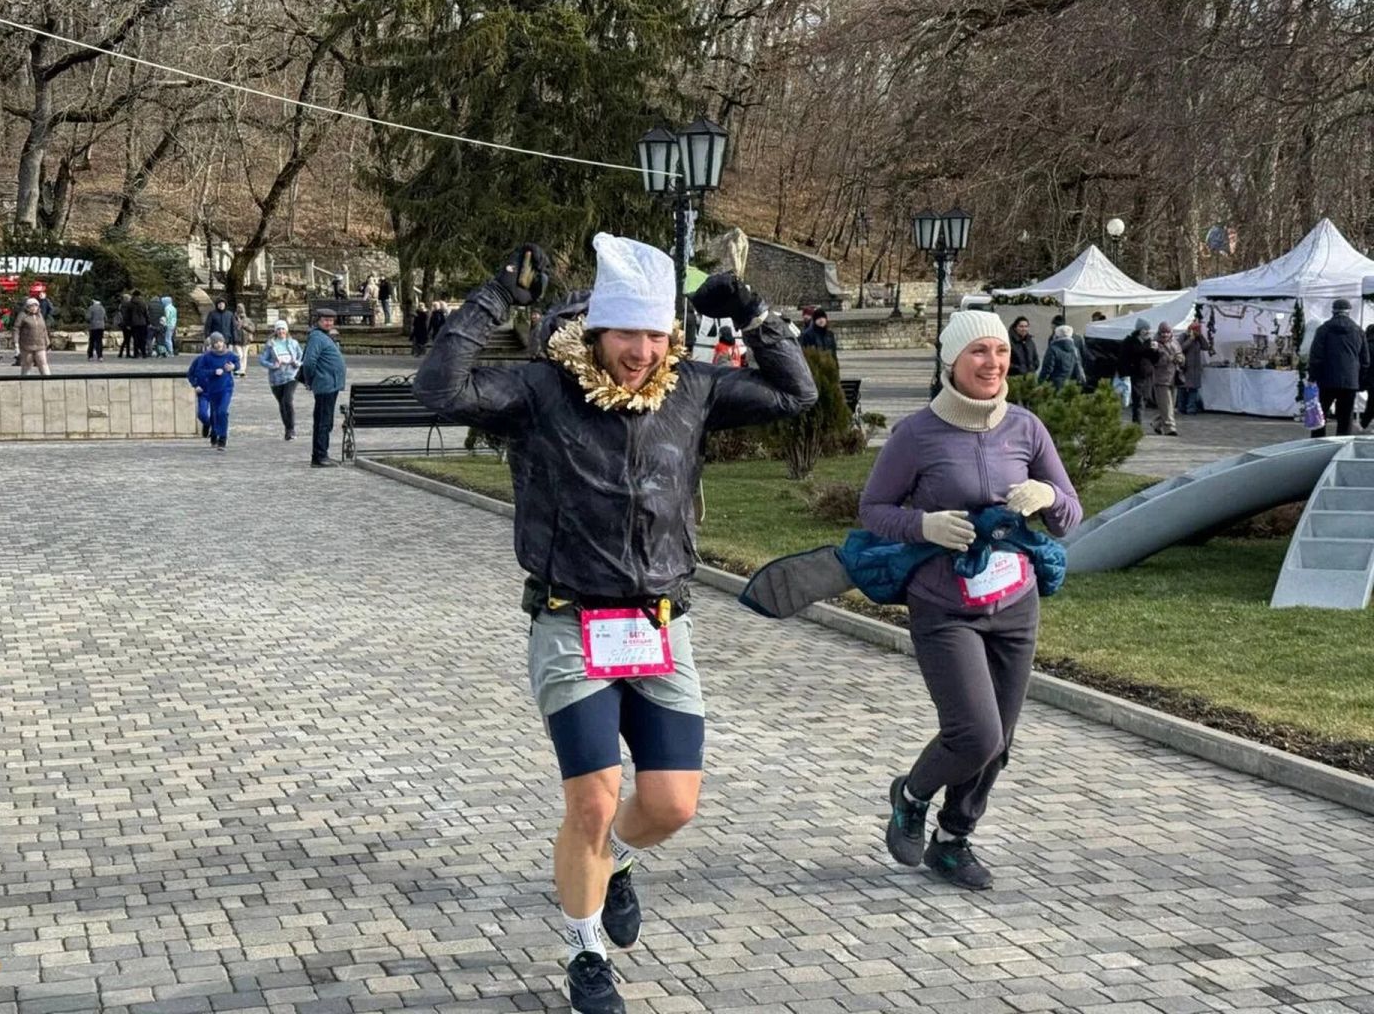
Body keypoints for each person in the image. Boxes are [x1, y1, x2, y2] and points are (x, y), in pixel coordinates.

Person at [415, 237, 816, 1014]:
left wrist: (753, 314)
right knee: (593, 801)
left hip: (661, 628)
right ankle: (585, 950)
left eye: (656, 335)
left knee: (671, 804)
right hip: (572, 622)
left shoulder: (691, 391)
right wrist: (496, 295)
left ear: (671, 338)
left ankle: (618, 865)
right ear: (596, 331)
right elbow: (440, 389)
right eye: (625, 334)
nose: (640, 352)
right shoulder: (540, 391)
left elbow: (795, 396)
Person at [860, 310, 1080, 890]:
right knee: (976, 733)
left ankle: (954, 840)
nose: (993, 363)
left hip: (1015, 604)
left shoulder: (1026, 429)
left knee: (1000, 743)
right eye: (979, 352)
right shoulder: (917, 434)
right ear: (951, 361)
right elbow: (873, 511)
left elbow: (1070, 512)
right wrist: (924, 526)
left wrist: (1048, 495)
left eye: (1000, 351)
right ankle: (911, 795)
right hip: (944, 605)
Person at [1308, 298, 1370, 438]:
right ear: (1349, 312)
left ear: (1333, 311)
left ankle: (1318, 443)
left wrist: (1312, 377)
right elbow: (1365, 360)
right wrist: (1359, 381)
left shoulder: (1323, 329)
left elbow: (1316, 356)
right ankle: (1342, 443)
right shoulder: (1358, 331)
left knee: (1321, 413)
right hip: (1350, 381)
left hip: (1326, 379)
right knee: (1345, 417)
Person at [301, 307, 347, 467]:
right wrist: (310, 379)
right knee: (323, 421)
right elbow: (308, 362)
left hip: (330, 385)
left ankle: (322, 454)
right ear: (318, 321)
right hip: (325, 385)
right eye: (325, 320)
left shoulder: (324, 337)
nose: (329, 323)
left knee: (325, 421)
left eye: (331, 320)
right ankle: (320, 456)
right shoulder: (317, 337)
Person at [186, 332, 238, 451]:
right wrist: (197, 384)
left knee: (222, 412)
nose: (217, 345)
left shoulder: (229, 355)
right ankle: (211, 429)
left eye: (220, 342)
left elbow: (237, 362)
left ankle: (222, 438)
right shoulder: (204, 358)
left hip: (226, 388)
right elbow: (196, 372)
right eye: (214, 343)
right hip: (208, 390)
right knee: (206, 413)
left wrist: (233, 367)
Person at [259, 319, 303, 441]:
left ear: (286, 330)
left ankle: (291, 429)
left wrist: (297, 363)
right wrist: (273, 365)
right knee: (282, 403)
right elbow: (262, 360)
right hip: (276, 378)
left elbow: (302, 356)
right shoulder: (270, 344)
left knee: (287, 400)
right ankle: (287, 429)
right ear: (275, 331)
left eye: (283, 329)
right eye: (278, 329)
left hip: (291, 375)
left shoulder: (293, 343)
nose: (281, 331)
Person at [1117, 318, 1159, 425]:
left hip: (1148, 375)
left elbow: (1154, 360)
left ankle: (1137, 423)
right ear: (1139, 330)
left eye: (1148, 329)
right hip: (1135, 374)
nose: (1147, 332)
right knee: (1138, 400)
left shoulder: (1150, 342)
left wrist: (1155, 351)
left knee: (1145, 399)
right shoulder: (1130, 341)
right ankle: (1137, 425)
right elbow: (1127, 356)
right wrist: (1123, 374)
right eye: (1144, 329)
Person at [1150, 321, 1185, 436]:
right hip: (1161, 379)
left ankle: (1156, 423)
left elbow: (1181, 355)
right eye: (1162, 332)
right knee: (1166, 406)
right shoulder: (1155, 344)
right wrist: (1170, 358)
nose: (1165, 335)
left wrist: (1180, 358)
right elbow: (1154, 361)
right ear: (1159, 333)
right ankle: (1170, 429)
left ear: (1171, 333)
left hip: (1173, 378)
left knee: (1170, 406)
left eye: (1167, 332)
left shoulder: (1175, 342)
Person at [1178, 321, 1212, 415]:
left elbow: (1206, 347)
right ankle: (1181, 408)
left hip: (1195, 368)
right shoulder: (1183, 336)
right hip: (1185, 367)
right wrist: (1190, 339)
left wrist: (1200, 336)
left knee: (1193, 389)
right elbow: (1180, 348)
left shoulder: (1198, 339)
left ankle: (1191, 409)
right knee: (1183, 389)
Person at [1037, 324, 1085, 389]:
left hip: (1054, 385)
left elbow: (1047, 369)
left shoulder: (1053, 349)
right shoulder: (1075, 350)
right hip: (1069, 385)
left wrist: (1040, 382)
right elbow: (1077, 368)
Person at [15, 298, 51, 376]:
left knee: (43, 363)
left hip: (40, 345)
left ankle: (48, 381)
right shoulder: (23, 315)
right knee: (27, 365)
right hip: (27, 346)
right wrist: (16, 343)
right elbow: (16, 329)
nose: (34, 308)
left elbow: (44, 329)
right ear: (27, 307)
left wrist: (47, 341)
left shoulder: (40, 315)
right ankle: (25, 382)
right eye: (32, 306)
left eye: (36, 306)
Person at [234, 303, 255, 375]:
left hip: (246, 340)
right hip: (237, 340)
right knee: (239, 355)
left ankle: (243, 369)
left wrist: (245, 326)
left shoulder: (248, 320)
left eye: (241, 308)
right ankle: (238, 368)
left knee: (244, 355)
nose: (240, 310)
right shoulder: (234, 319)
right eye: (238, 308)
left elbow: (252, 329)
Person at [1361, 323, 1374, 431]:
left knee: (1371, 403)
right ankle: (1364, 423)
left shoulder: (1366, 346)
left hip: (1371, 379)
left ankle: (1364, 424)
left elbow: (1364, 363)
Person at [116, 292, 135, 358]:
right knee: (127, 339)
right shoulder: (127, 305)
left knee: (126, 339)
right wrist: (129, 324)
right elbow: (127, 316)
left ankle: (122, 353)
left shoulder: (121, 305)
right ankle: (126, 353)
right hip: (127, 324)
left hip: (123, 324)